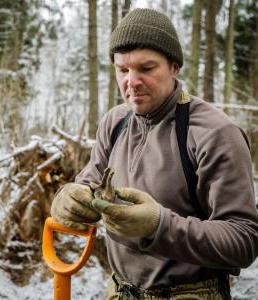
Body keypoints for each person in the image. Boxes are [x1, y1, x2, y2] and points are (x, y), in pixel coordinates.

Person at [50, 8, 258, 300]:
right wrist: (68, 197)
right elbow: (89, 183)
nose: (131, 82)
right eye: (122, 70)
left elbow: (244, 241)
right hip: (119, 291)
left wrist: (158, 226)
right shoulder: (115, 122)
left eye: (146, 69)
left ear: (175, 67)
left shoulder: (214, 133)